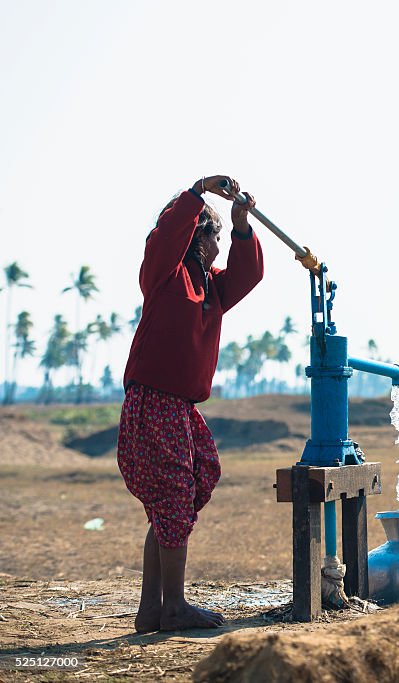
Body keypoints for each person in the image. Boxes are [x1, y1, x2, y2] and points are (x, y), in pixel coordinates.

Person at [117, 175, 264, 632]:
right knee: (174, 498)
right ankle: (174, 606)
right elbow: (166, 236)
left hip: (181, 407)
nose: (219, 246)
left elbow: (249, 273)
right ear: (197, 236)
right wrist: (199, 189)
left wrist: (241, 226)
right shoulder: (164, 274)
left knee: (191, 485)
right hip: (154, 400)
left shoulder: (211, 287)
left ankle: (152, 609)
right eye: (216, 235)